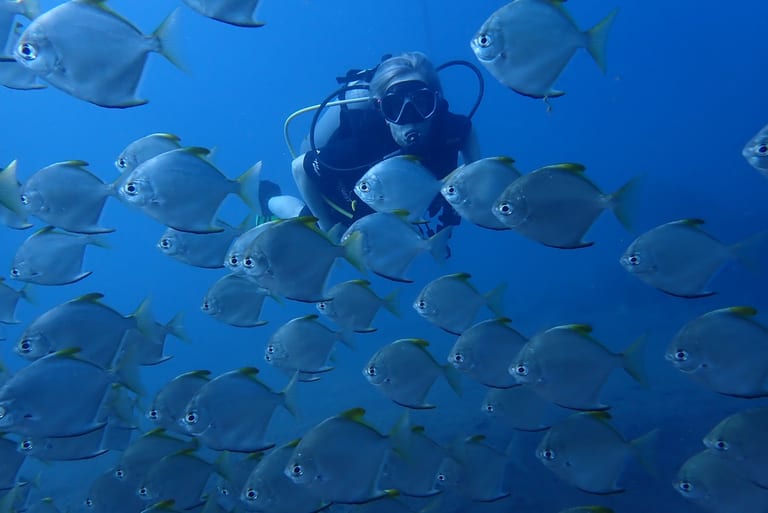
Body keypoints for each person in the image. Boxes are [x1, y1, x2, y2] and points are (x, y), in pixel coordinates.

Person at [289, 51, 481, 233]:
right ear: (381, 109)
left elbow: (475, 170)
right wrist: (327, 228)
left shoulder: (453, 130)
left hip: (392, 211)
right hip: (339, 201)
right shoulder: (362, 143)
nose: (410, 117)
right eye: (394, 107)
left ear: (435, 103)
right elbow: (299, 168)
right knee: (299, 222)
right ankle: (273, 200)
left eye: (421, 103)